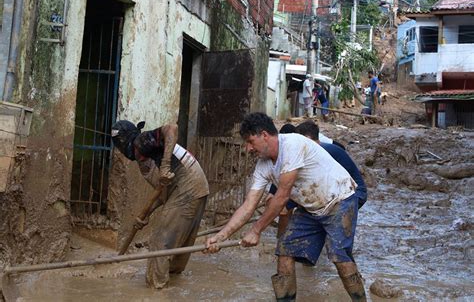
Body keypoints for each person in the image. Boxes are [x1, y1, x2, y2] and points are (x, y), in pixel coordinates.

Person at [204, 113, 366, 301]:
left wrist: (256, 230)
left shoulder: (292, 145)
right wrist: (220, 236)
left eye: (250, 141)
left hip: (340, 200)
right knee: (285, 250)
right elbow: (249, 205)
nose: (248, 148)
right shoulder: (263, 166)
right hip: (311, 208)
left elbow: (282, 197)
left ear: (264, 135)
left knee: (340, 257)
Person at [111, 120, 209, 289]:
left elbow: (171, 128)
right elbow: (163, 192)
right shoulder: (145, 155)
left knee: (159, 240)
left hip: (187, 185)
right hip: (196, 186)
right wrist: (146, 215)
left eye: (119, 145)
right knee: (179, 241)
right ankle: (174, 283)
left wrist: (164, 166)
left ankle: (156, 290)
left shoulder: (141, 141)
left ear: (123, 141)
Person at [295, 120, 367, 209]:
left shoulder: (324, 152)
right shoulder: (319, 150)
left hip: (354, 193)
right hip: (341, 191)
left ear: (307, 138)